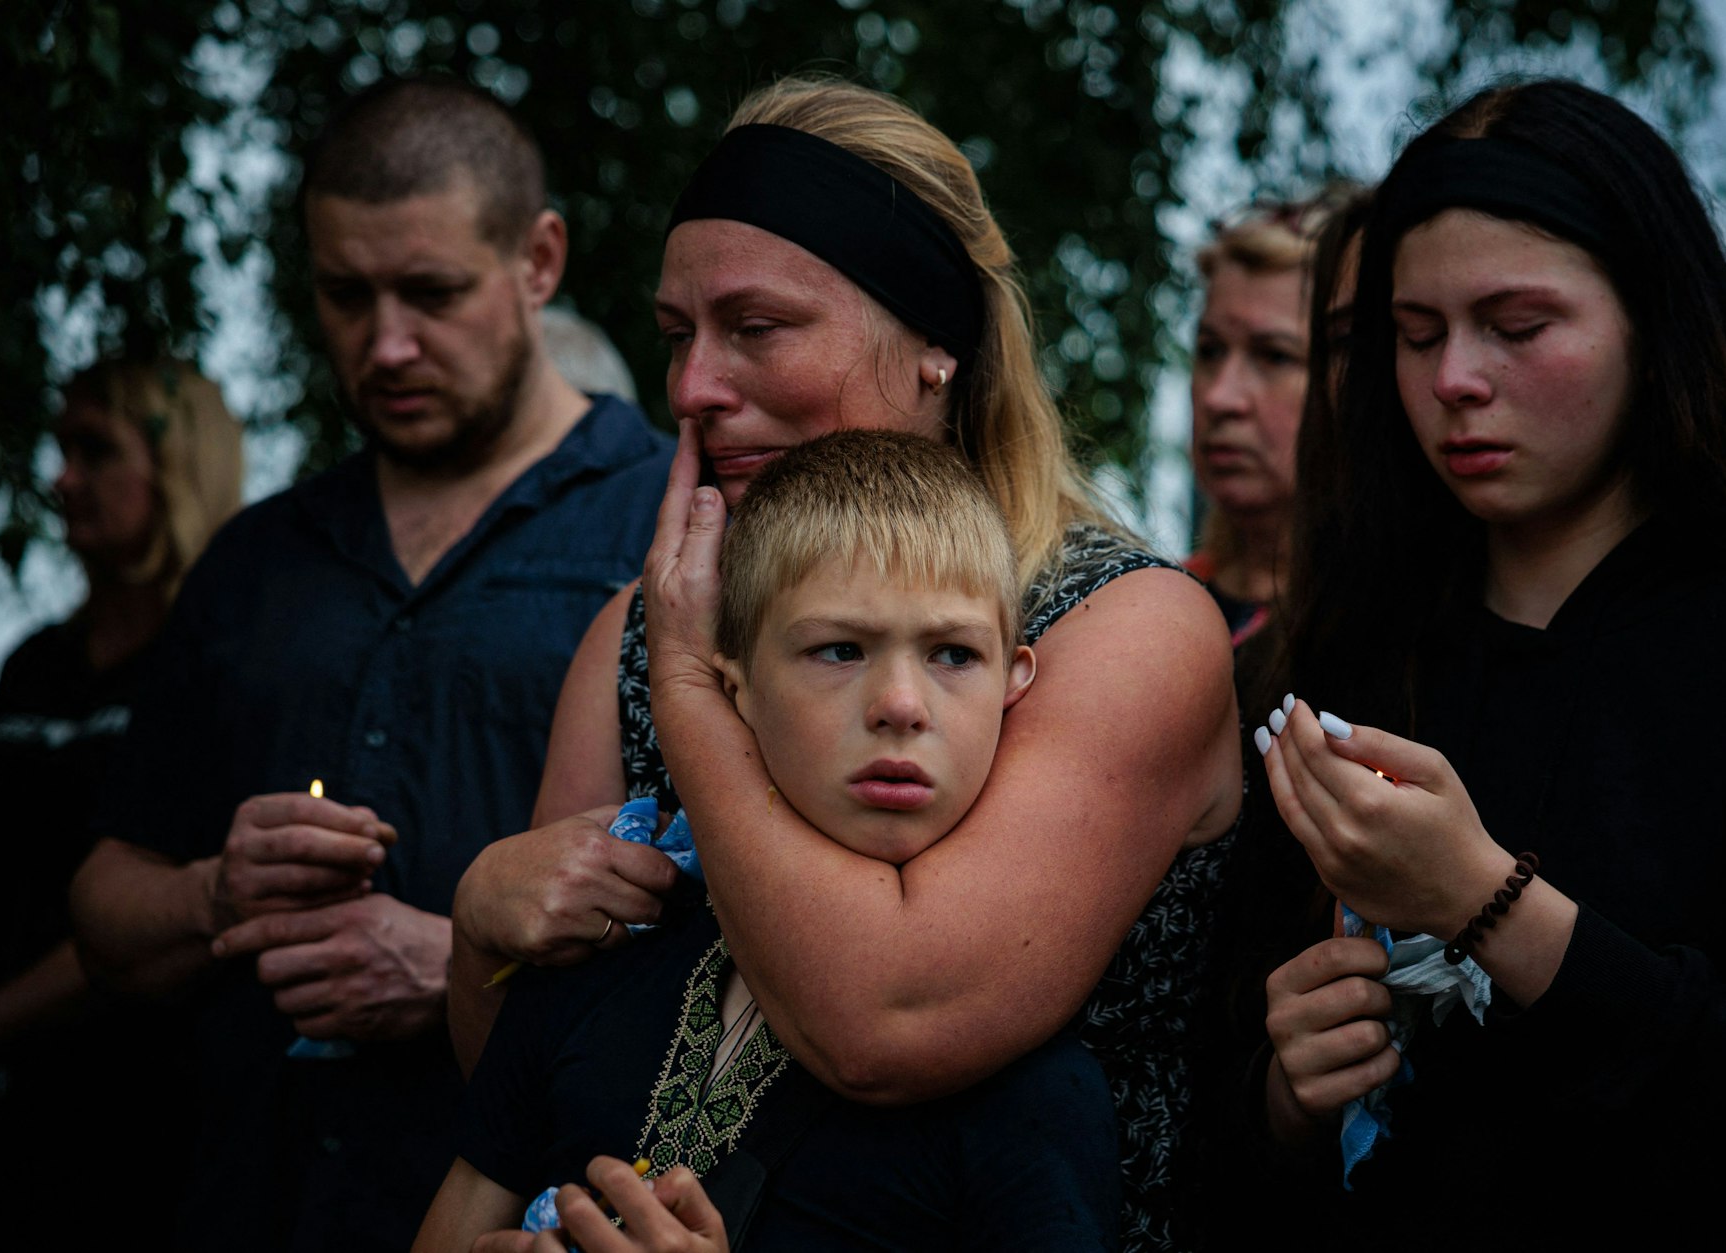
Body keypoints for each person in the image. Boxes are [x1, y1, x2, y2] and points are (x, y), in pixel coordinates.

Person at [449, 76, 1241, 1252]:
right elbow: (527, 1079)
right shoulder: (640, 625)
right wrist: (477, 928)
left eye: (755, 327)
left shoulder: (1119, 626)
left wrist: (688, 693)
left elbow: (887, 1018)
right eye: (676, 337)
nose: (691, 389)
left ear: (934, 344)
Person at [1229, 78, 1726, 1241]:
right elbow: (1205, 1131)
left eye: (1516, 328)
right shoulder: (1336, 658)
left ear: (1653, 324)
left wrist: (1481, 901)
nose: (1454, 377)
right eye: (1412, 337)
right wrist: (1287, 1092)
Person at [68, 77, 674, 1253]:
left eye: (432, 293)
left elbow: (753, 936)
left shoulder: (673, 530)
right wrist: (213, 893)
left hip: (522, 1210)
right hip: (245, 1194)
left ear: (538, 261)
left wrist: (462, 958)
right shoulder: (255, 563)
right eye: (345, 295)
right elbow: (99, 909)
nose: (384, 342)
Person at [418, 430, 1118, 1253]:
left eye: (954, 654)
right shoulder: (595, 969)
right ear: (733, 684)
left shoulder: (1027, 1086)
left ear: (1014, 682)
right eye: (840, 649)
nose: (900, 701)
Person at [0, 355, 241, 1237]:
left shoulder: (222, 659)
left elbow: (173, 902)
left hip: (141, 1111)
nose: (63, 480)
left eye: (94, 450)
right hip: (1, 1110)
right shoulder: (36, 663)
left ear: (174, 465)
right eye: (58, 450)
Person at [1182, 189, 1359, 652]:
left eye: (1275, 355)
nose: (1221, 397)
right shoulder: (1149, 603)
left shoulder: (1412, 633)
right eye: (1210, 350)